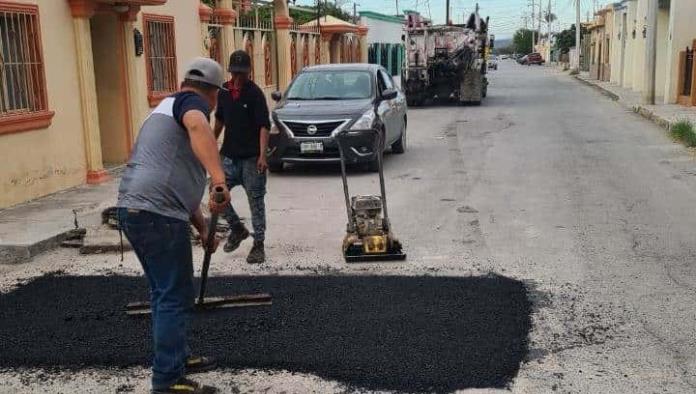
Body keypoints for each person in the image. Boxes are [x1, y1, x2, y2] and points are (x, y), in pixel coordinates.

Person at [117, 57, 231, 394]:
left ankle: (177, 358)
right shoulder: (190, 102)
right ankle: (168, 380)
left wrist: (201, 227)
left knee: (164, 293)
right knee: (174, 295)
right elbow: (198, 126)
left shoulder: (162, 110)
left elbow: (178, 185)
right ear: (212, 93)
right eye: (216, 97)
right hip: (156, 214)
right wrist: (219, 179)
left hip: (136, 209)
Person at [213, 50, 271, 264]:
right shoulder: (224, 92)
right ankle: (237, 228)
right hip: (229, 157)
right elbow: (219, 121)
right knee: (216, 195)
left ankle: (259, 244)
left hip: (251, 158)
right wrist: (210, 146)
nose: (239, 77)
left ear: (249, 72)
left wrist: (262, 156)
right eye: (236, 73)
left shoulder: (254, 93)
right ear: (231, 72)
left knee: (255, 201)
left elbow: (264, 126)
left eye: (243, 73)